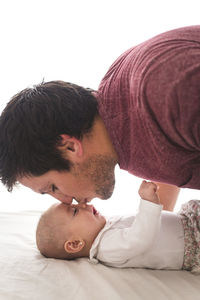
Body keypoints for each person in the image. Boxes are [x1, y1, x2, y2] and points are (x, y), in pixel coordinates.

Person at [1, 25, 200, 210]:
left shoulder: (161, 90)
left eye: (52, 188)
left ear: (70, 146)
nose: (66, 201)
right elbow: (168, 150)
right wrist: (155, 233)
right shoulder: (122, 120)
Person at [36, 180, 200, 273]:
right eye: (74, 212)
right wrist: (148, 202)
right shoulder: (107, 249)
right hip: (194, 240)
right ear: (75, 244)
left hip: (189, 222)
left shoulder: (104, 232)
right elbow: (141, 238)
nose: (82, 205)